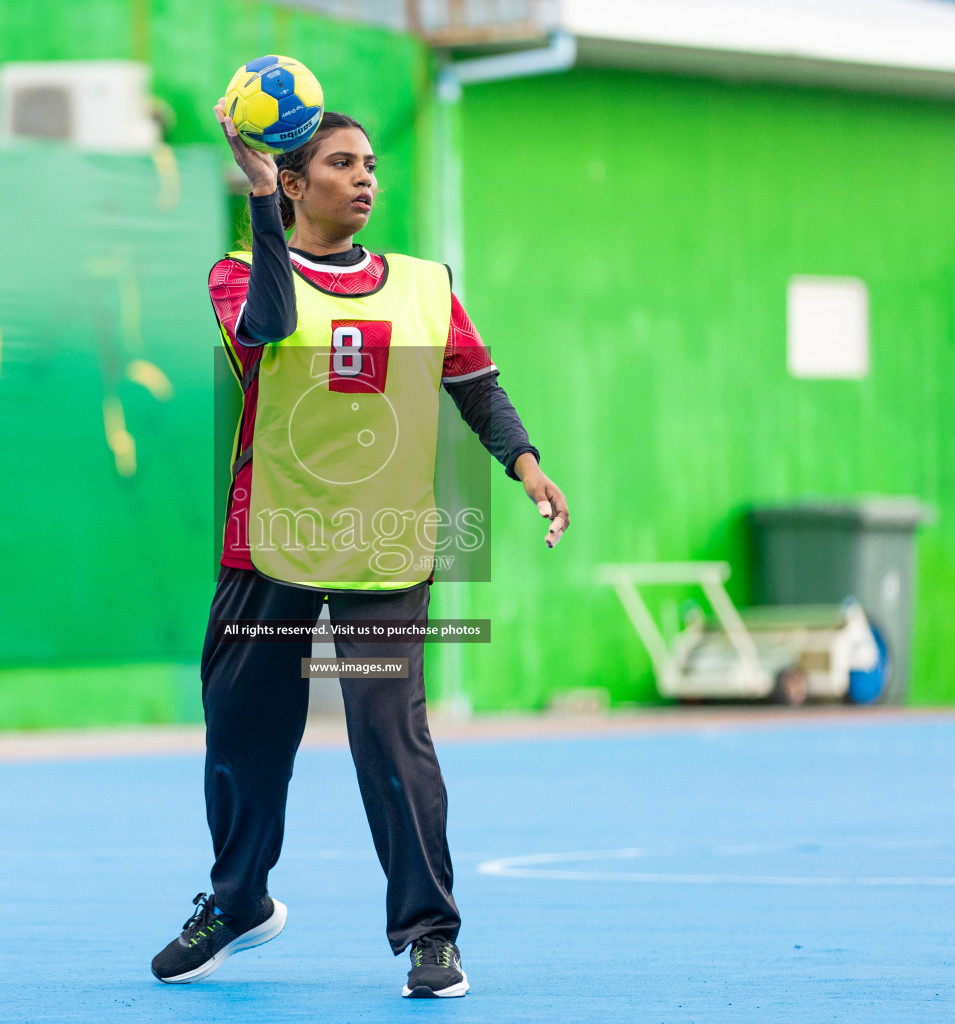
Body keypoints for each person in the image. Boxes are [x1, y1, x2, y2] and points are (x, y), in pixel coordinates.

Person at [148, 108, 570, 997]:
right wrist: (259, 203)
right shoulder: (237, 273)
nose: (366, 177)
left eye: (370, 163)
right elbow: (266, 324)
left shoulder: (422, 283)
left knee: (389, 735)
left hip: (385, 544)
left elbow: (476, 384)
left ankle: (430, 935)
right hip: (271, 541)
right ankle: (239, 903)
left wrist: (526, 466)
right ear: (295, 185)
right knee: (245, 737)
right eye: (341, 164)